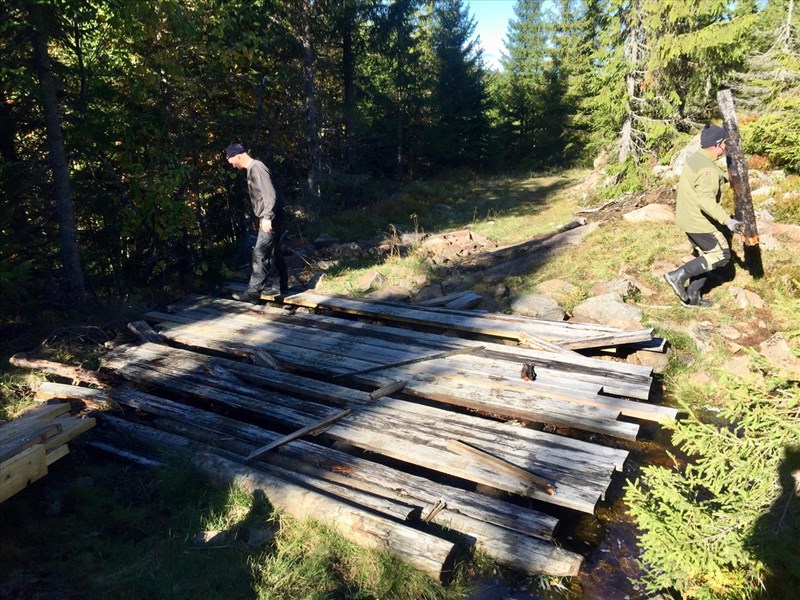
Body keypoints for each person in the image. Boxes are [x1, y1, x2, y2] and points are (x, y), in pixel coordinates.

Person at [663, 125, 741, 308]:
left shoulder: (696, 157)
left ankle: (693, 298)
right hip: (698, 221)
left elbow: (701, 182)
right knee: (721, 256)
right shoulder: (709, 170)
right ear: (718, 144)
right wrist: (727, 220)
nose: (727, 147)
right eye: (726, 144)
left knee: (706, 257)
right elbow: (705, 200)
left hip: (686, 218)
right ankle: (677, 276)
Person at [226, 142, 288, 303]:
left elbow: (270, 194)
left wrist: (267, 217)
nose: (233, 166)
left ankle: (252, 293)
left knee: (259, 253)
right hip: (272, 214)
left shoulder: (257, 168)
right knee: (273, 250)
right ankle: (281, 284)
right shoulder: (253, 169)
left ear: (238, 155)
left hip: (272, 215)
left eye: (232, 162)